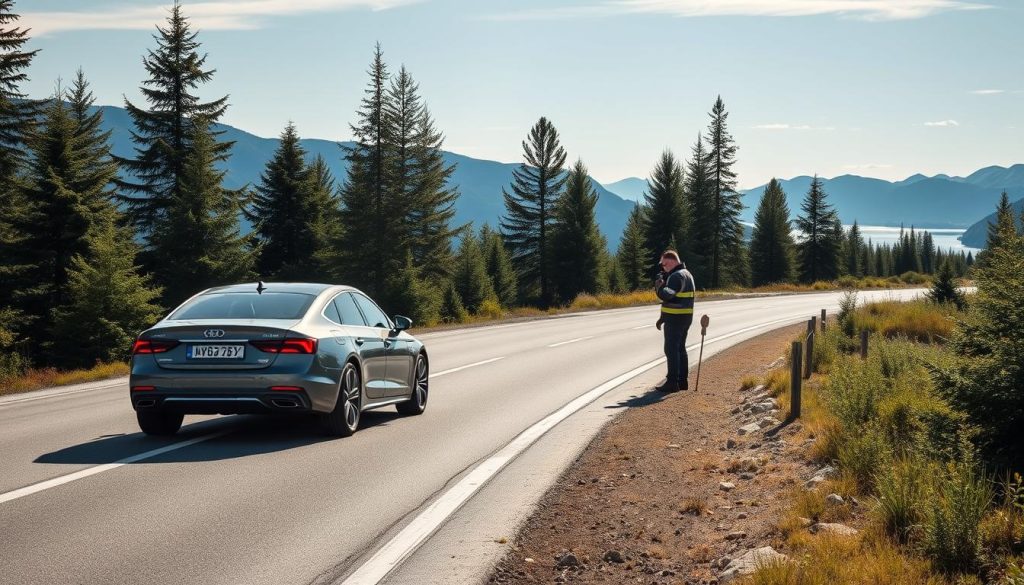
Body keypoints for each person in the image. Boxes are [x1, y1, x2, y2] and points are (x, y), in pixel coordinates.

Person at [654, 250, 696, 392]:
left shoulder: (676, 276)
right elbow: (677, 297)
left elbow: (667, 296)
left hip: (675, 318)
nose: (663, 268)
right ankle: (682, 381)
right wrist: (662, 317)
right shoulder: (687, 274)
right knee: (680, 348)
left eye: (664, 264)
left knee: (671, 349)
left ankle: (672, 382)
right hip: (685, 317)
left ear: (672, 262)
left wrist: (659, 287)